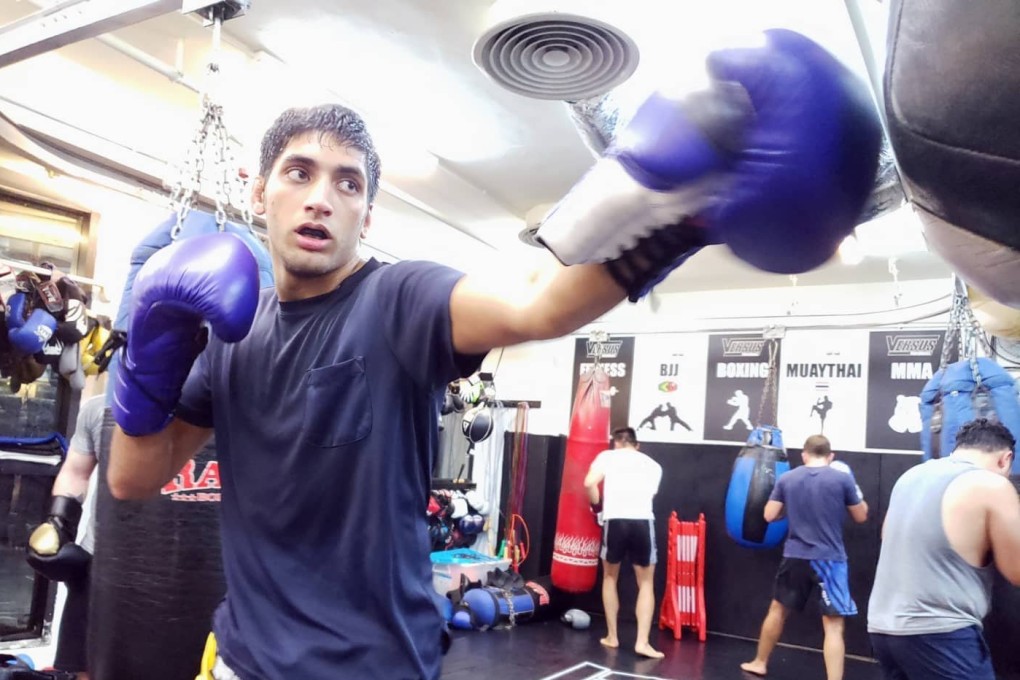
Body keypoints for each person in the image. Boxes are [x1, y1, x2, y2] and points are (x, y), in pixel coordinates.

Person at [105, 31, 881, 680]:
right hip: (243, 659)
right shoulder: (231, 333)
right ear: (259, 191)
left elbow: (536, 300)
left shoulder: (395, 299)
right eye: (299, 174)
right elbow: (133, 477)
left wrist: (676, 211)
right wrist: (150, 351)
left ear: (368, 211)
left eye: (347, 184)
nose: (321, 198)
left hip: (370, 666)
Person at [868, 418, 1020, 680]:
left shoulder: (911, 476)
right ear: (1005, 459)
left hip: (883, 629)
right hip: (940, 633)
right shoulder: (992, 484)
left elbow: (886, 535)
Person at [740, 435, 868, 679]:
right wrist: (855, 491)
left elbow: (769, 515)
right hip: (829, 559)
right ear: (830, 456)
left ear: (804, 454)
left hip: (795, 556)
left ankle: (759, 662)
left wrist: (792, 509)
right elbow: (861, 516)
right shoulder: (841, 478)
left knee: (777, 610)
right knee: (833, 624)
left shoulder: (788, 478)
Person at [26, 392, 105, 680]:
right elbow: (76, 472)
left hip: (202, 575)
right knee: (86, 670)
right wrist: (59, 524)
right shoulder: (102, 406)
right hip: (102, 566)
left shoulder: (232, 404)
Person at [584, 427, 664, 658]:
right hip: (642, 521)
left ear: (615, 443)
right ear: (636, 445)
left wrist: (597, 508)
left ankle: (612, 636)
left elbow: (589, 483)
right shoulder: (652, 464)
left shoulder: (608, 456)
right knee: (646, 583)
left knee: (610, 577)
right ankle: (642, 642)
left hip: (615, 521)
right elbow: (650, 495)